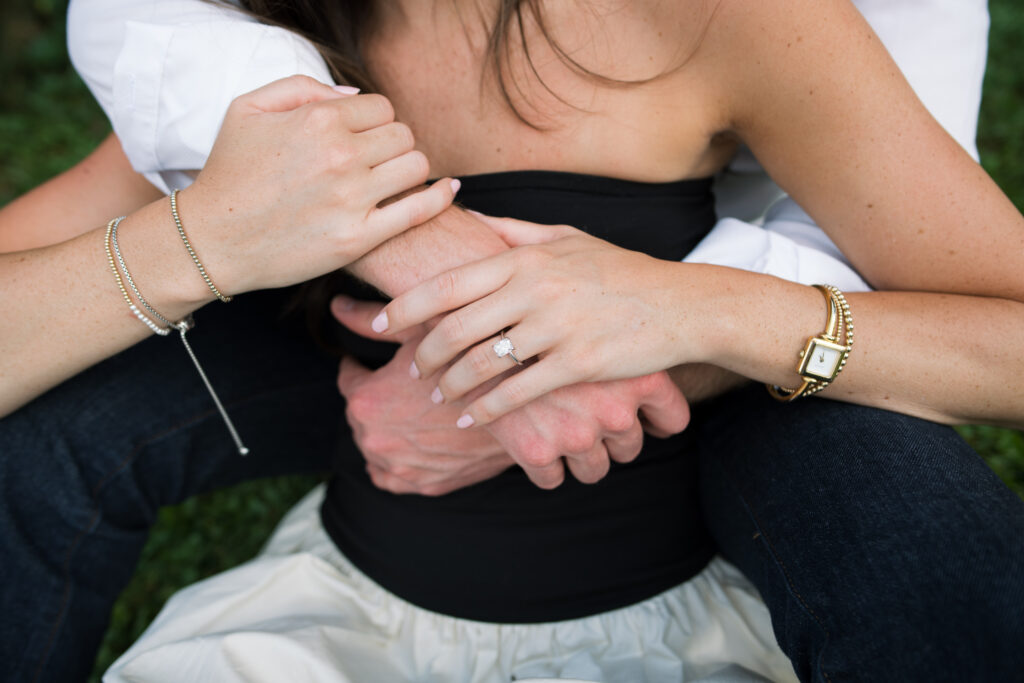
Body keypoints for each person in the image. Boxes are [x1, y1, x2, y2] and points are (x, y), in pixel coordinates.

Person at [2, 0, 1020, 681]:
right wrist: (194, 240)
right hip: (351, 611)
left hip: (681, 604)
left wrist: (696, 309)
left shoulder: (733, 18)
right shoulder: (268, 41)